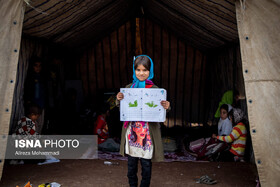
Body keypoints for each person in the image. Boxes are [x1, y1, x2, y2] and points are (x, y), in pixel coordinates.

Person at [116, 55, 170, 187]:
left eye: (145, 70)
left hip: (147, 135)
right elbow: (121, 107)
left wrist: (167, 106)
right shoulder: (128, 88)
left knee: (146, 167)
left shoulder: (156, 91)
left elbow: (162, 110)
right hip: (132, 135)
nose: (141, 73)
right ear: (134, 71)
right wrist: (118, 99)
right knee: (131, 167)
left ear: (150, 71)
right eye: (138, 70)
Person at [24, 56, 47, 134]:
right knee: (30, 125)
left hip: (41, 105)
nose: (38, 68)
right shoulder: (30, 77)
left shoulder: (43, 77)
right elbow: (27, 91)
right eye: (36, 65)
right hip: (33, 106)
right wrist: (29, 103)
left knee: (39, 125)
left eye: (40, 66)